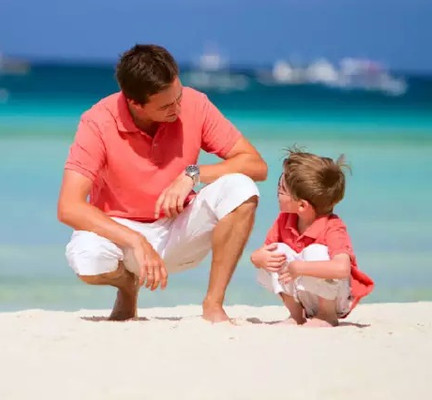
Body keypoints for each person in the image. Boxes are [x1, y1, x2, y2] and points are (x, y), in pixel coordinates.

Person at [57, 44, 267, 323]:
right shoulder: (97, 122)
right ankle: (127, 286)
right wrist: (135, 240)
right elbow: (69, 207)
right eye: (167, 105)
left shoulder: (194, 103)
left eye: (178, 97)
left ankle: (213, 304)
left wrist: (192, 173)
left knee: (242, 188)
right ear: (135, 103)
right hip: (123, 236)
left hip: (179, 229)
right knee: (87, 260)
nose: (178, 109)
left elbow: (256, 165)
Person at [251, 149, 374, 327]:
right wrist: (257, 258)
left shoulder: (332, 227)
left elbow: (342, 268)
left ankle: (326, 315)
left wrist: (300, 268)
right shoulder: (284, 220)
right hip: (304, 294)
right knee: (275, 252)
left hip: (336, 298)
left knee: (315, 251)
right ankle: (296, 314)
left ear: (302, 205)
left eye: (282, 190)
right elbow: (265, 252)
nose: (277, 192)